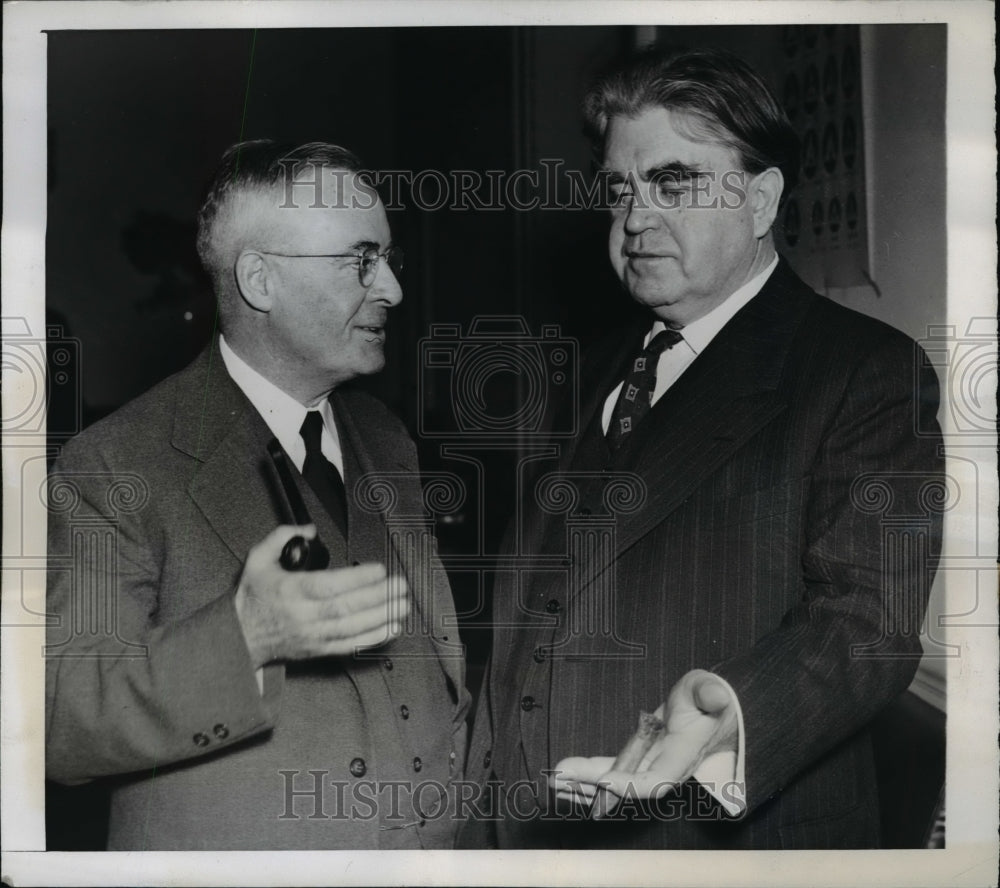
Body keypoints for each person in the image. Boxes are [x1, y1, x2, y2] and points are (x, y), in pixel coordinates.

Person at [461, 48, 943, 849]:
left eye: (675, 183)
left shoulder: (865, 371)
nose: (637, 218)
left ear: (761, 201)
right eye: (620, 190)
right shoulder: (590, 365)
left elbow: (867, 623)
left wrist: (730, 716)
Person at [46, 140, 470, 850]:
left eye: (388, 261)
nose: (392, 289)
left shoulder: (386, 439)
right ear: (260, 280)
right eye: (360, 261)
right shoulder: (113, 463)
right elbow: (59, 718)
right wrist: (248, 638)